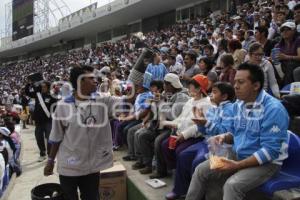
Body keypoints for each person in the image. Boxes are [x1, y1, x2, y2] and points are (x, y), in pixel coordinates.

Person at [185, 63, 289, 200]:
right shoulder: (239, 105)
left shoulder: (274, 109)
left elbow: (270, 151)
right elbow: (236, 134)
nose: (235, 86)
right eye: (235, 82)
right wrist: (223, 137)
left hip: (267, 163)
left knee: (232, 185)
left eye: (241, 82)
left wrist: (237, 165)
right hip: (238, 154)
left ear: (256, 86)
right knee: (201, 170)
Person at [44, 66, 125, 200]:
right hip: (69, 167)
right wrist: (51, 161)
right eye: (91, 78)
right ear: (80, 81)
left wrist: (138, 80)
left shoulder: (102, 100)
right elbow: (56, 137)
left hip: (91, 167)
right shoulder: (63, 106)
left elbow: (125, 102)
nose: (96, 81)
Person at [166, 82, 235, 200]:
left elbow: (224, 132)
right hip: (206, 141)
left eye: (215, 92)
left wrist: (205, 122)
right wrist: (200, 122)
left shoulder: (229, 109)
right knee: (183, 155)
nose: (211, 95)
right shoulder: (215, 108)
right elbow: (204, 131)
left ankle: (199, 195)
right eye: (211, 91)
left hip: (220, 146)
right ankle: (180, 190)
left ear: (224, 96)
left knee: (197, 162)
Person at [25, 80, 57, 161]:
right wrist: (29, 83)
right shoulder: (37, 95)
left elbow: (56, 107)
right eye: (41, 87)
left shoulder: (52, 96)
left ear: (48, 87)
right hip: (38, 121)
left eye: (44, 87)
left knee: (50, 138)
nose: (42, 88)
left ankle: (50, 155)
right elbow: (27, 92)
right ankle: (42, 153)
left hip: (48, 120)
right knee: (39, 138)